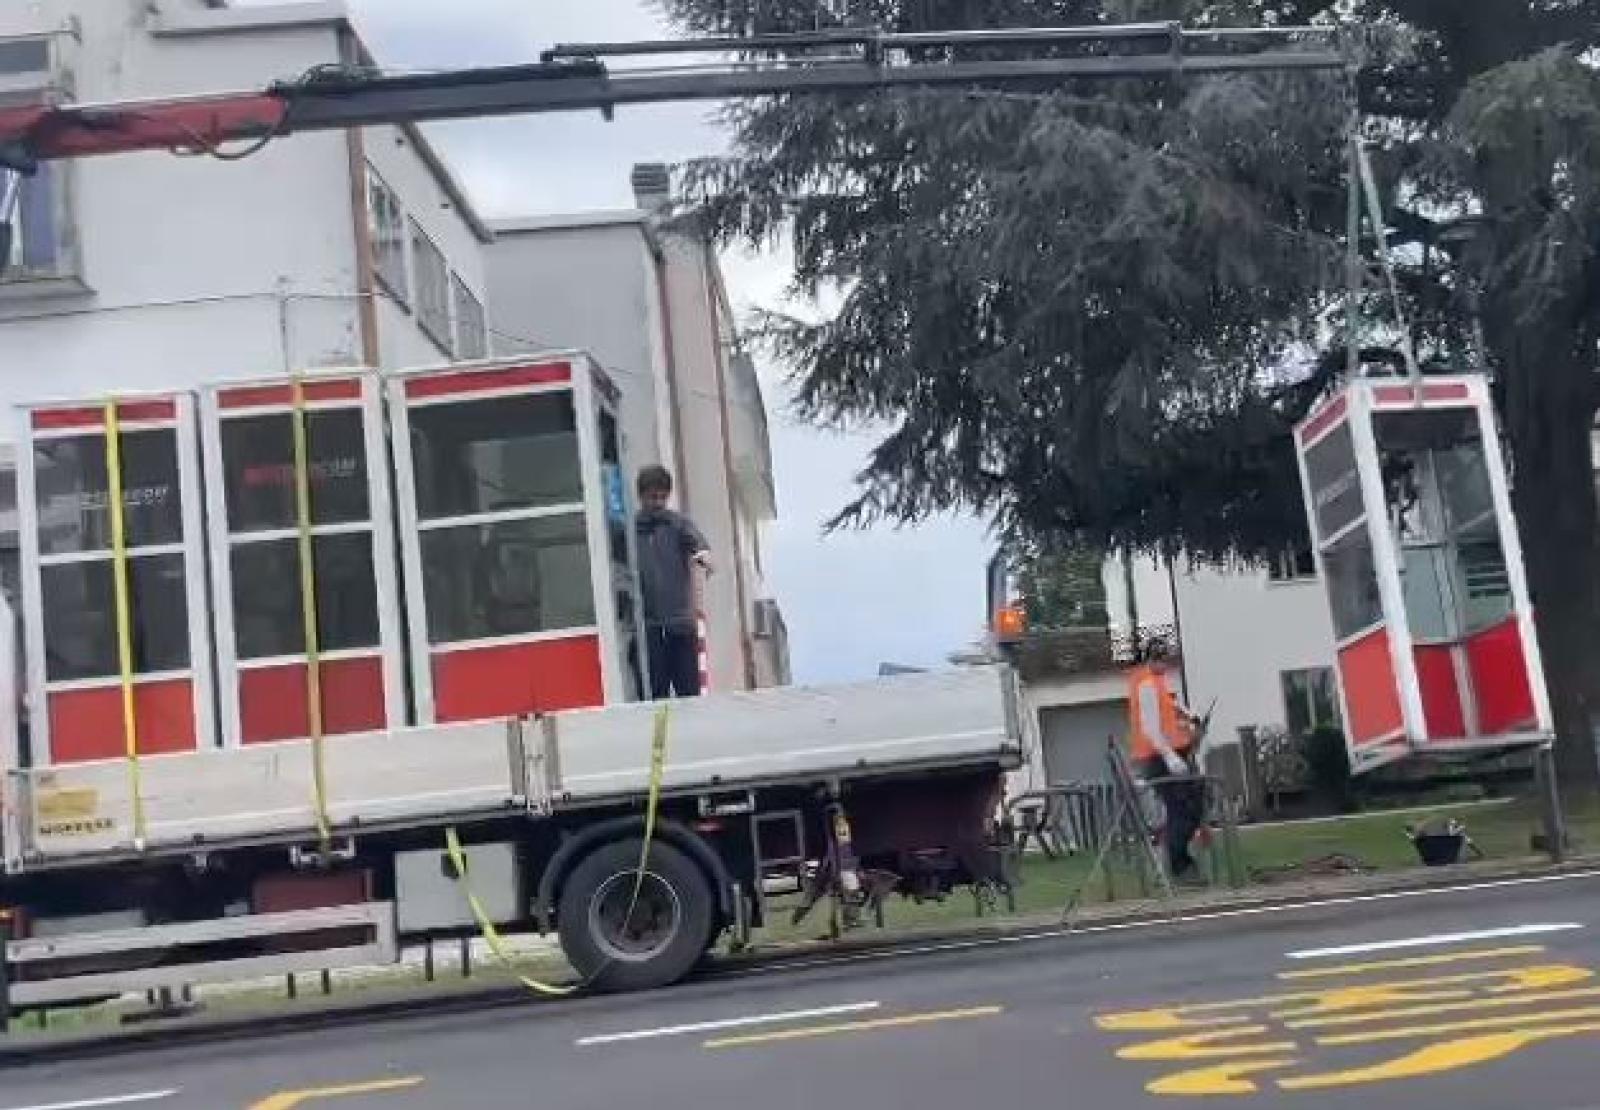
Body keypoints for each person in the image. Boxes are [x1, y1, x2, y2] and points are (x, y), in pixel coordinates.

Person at [1126, 643, 1206, 882]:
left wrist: (1189, 715)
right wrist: (1169, 756)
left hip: (1166, 756)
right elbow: (1151, 727)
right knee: (1182, 810)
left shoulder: (1157, 682)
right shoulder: (1147, 685)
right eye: (1163, 660)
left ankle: (1181, 864)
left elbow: (1171, 707)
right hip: (1157, 758)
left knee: (1188, 807)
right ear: (1151, 660)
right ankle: (1181, 867)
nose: (1166, 665)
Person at [634, 465, 711, 699]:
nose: (657, 503)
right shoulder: (632, 529)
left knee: (688, 690)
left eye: (662, 497)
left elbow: (697, 543)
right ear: (641, 496)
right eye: (652, 497)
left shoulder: (676, 524)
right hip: (649, 626)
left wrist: (703, 557)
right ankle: (661, 735)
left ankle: (692, 733)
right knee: (655, 693)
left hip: (680, 623)